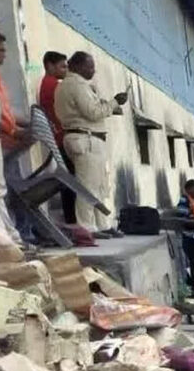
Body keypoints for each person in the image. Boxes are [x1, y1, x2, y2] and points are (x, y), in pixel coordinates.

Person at [54, 51, 127, 239]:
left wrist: (109, 106)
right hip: (86, 139)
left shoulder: (69, 85)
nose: (93, 70)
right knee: (88, 187)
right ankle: (86, 228)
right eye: (90, 66)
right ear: (77, 66)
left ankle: (102, 225)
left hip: (85, 138)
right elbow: (93, 112)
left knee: (99, 185)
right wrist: (114, 102)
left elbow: (89, 109)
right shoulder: (76, 85)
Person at [0, 32, 22, 243]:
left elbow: (4, 110)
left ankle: (10, 238)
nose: (3, 54)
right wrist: (13, 131)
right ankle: (1, 241)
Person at [38, 51, 76, 224]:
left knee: (69, 178)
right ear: (49, 66)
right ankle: (72, 218)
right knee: (72, 180)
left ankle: (71, 217)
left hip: (57, 136)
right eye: (62, 66)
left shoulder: (48, 84)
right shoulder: (53, 85)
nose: (65, 70)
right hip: (62, 136)